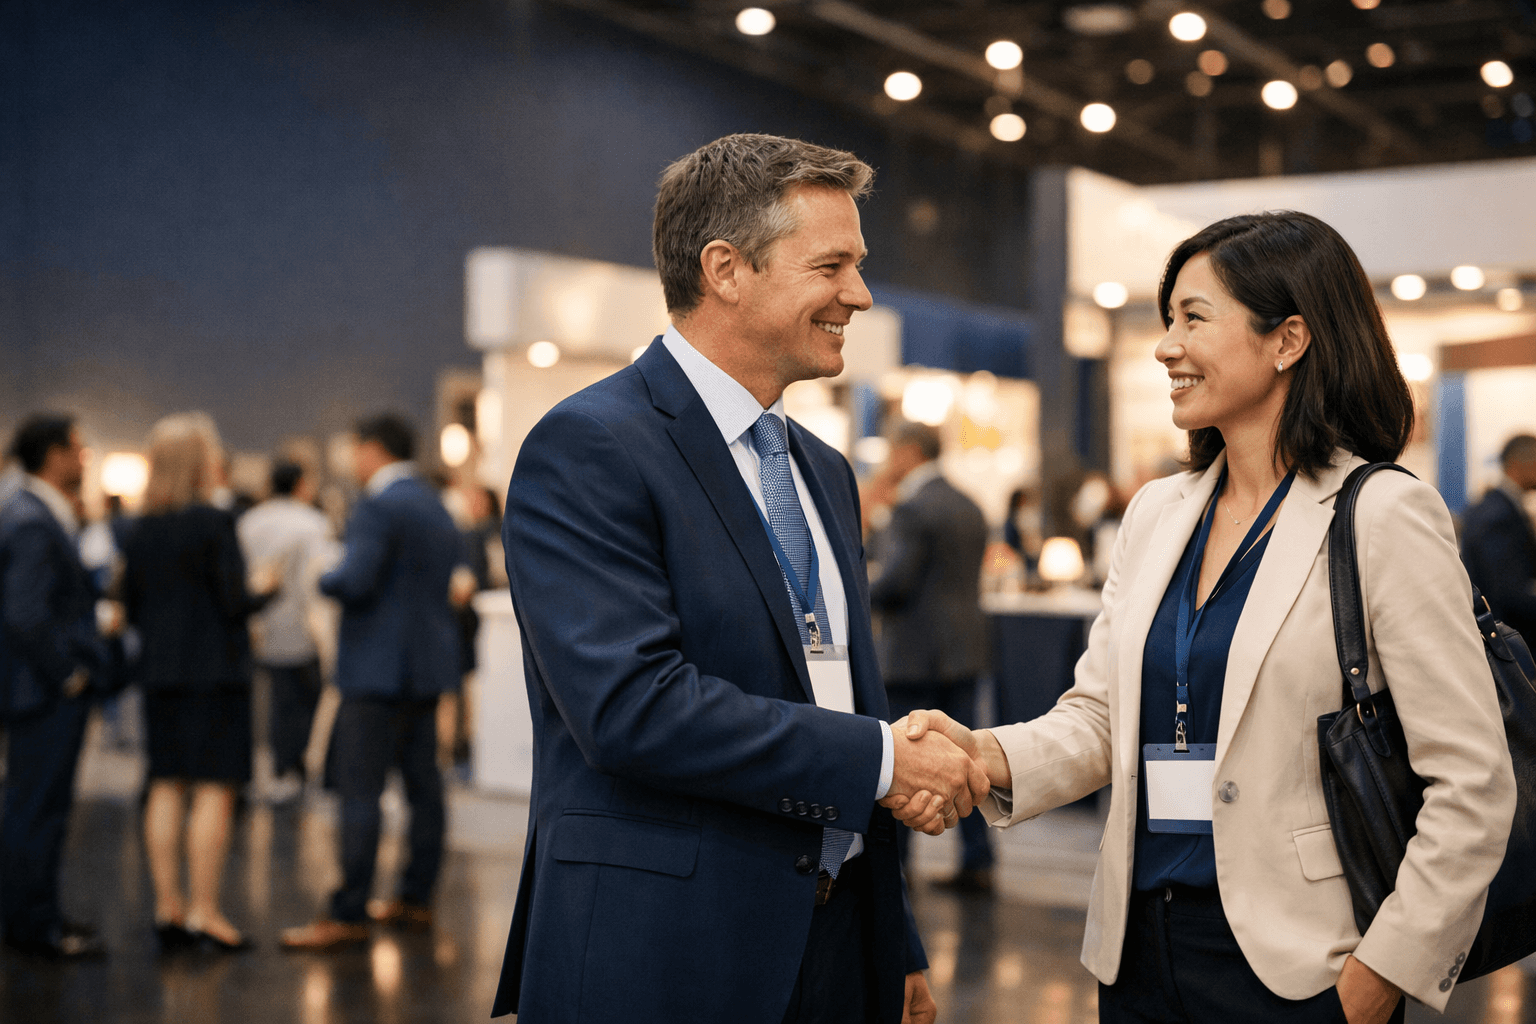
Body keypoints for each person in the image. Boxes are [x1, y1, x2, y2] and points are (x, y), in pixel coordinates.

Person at [890, 211, 1516, 1023]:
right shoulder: (1158, 512)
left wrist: (1380, 974)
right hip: (1138, 953)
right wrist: (981, 753)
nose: (1165, 346)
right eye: (1167, 319)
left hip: (1301, 971)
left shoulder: (1383, 514)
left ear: (1288, 339)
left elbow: (1472, 780)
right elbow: (1099, 717)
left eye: (1193, 318)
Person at [493, 134, 988, 1024]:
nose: (861, 295)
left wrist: (894, 940)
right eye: (831, 265)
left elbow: (843, 690)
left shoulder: (824, 470)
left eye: (860, 264)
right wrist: (882, 761)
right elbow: (631, 707)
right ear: (725, 269)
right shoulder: (591, 446)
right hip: (667, 948)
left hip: (836, 946)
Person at [280, 413, 463, 950]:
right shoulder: (436, 503)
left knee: (360, 791)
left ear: (373, 449)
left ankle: (348, 911)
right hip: (427, 670)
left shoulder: (379, 505)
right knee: (424, 789)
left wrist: (321, 574)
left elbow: (355, 580)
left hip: (375, 671)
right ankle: (415, 898)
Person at [122, 413, 272, 952]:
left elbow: (132, 607)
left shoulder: (139, 528)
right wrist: (266, 588)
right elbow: (234, 602)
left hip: (159, 674)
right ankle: (204, 913)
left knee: (165, 784)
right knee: (213, 790)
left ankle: (168, 908)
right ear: (201, 462)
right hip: (214, 675)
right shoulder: (213, 521)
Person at [0, 414, 118, 958]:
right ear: (52, 455)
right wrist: (67, 673)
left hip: (38, 688)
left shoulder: (33, 510)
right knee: (37, 809)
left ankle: (36, 915)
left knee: (38, 807)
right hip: (41, 692)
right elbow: (25, 613)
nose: (86, 456)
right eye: (77, 446)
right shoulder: (30, 517)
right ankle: (33, 925)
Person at [868, 421, 994, 892]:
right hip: (966, 650)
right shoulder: (970, 504)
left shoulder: (914, 508)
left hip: (915, 655)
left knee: (906, 763)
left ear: (908, 452)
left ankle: (896, 870)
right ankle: (978, 859)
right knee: (971, 759)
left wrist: (852, 591)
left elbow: (897, 583)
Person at [238, 459, 333, 800]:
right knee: (301, 701)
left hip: (258, 623)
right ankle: (294, 770)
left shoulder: (250, 521)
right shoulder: (312, 523)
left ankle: (270, 771)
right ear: (301, 484)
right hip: (301, 625)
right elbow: (320, 578)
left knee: (268, 702)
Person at [1461, 434, 1536, 644]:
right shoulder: (1498, 515)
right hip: (1510, 641)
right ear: (1520, 464)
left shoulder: (1501, 507)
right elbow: (1507, 593)